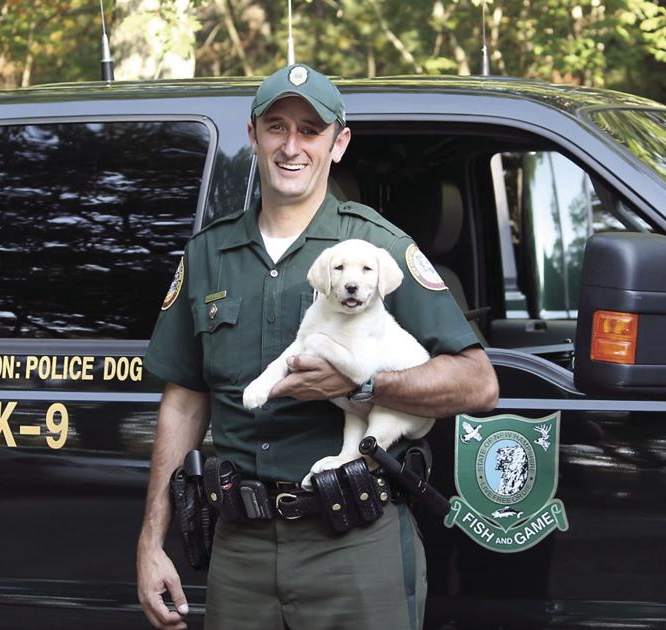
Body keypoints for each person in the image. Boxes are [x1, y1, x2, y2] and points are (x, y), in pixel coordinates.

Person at [137, 63, 498, 630]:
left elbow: (477, 383)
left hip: (354, 544)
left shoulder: (376, 249)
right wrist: (151, 541)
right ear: (253, 136)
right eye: (276, 127)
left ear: (339, 143)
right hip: (240, 551)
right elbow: (183, 401)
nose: (291, 146)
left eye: (310, 130)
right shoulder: (207, 255)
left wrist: (367, 384)